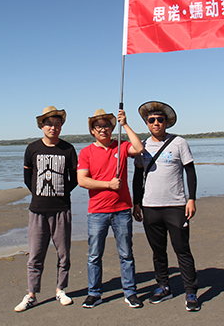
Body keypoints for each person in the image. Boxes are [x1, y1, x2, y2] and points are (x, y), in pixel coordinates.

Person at [132, 101, 200, 312]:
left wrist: (191, 199)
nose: (156, 123)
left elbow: (190, 171)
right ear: (146, 123)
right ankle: (163, 286)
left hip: (176, 205)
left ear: (166, 122)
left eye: (160, 120)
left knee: (182, 250)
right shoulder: (142, 145)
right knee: (158, 251)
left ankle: (191, 291)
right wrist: (136, 203)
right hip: (150, 206)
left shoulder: (179, 143)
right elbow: (137, 177)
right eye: (151, 120)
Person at [77, 108, 144, 309]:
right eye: (98, 126)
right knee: (94, 255)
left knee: (126, 254)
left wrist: (125, 124)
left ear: (112, 128)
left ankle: (130, 292)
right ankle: (94, 293)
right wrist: (108, 185)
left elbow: (139, 148)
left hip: (122, 210)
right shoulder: (86, 152)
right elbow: (82, 180)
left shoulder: (121, 146)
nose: (102, 129)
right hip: (97, 211)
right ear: (92, 130)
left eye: (106, 125)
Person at [14, 106, 78, 312]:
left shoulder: (68, 149)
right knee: (35, 254)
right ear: (41, 126)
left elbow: (74, 179)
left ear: (61, 126)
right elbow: (27, 177)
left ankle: (61, 289)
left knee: (64, 253)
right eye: (49, 124)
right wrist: (39, 194)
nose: (53, 127)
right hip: (37, 210)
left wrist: (60, 193)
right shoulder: (32, 149)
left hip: (62, 209)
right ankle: (32, 294)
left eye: (57, 124)